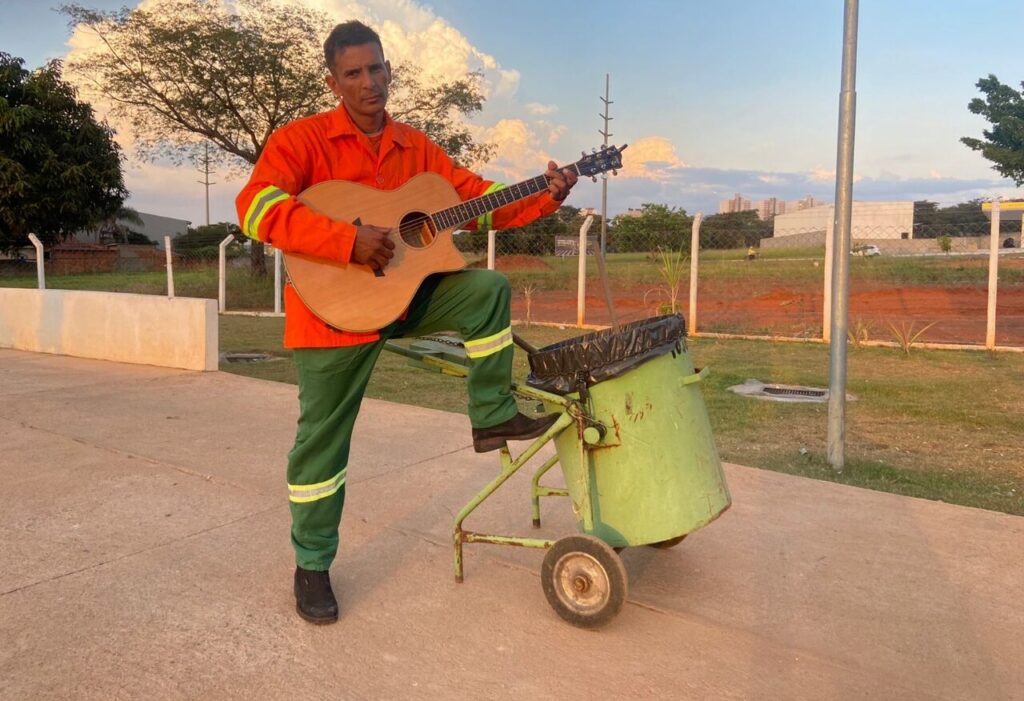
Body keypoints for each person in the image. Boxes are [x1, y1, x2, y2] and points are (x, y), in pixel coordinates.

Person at [235, 20, 577, 624]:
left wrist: (547, 193)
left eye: (377, 68)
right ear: (333, 80)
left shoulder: (416, 149)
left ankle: (491, 413)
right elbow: (256, 206)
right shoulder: (302, 140)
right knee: (321, 448)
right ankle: (312, 566)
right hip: (330, 317)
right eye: (354, 73)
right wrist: (346, 241)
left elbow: (480, 200)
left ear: (390, 68)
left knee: (487, 288)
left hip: (407, 298)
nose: (370, 82)